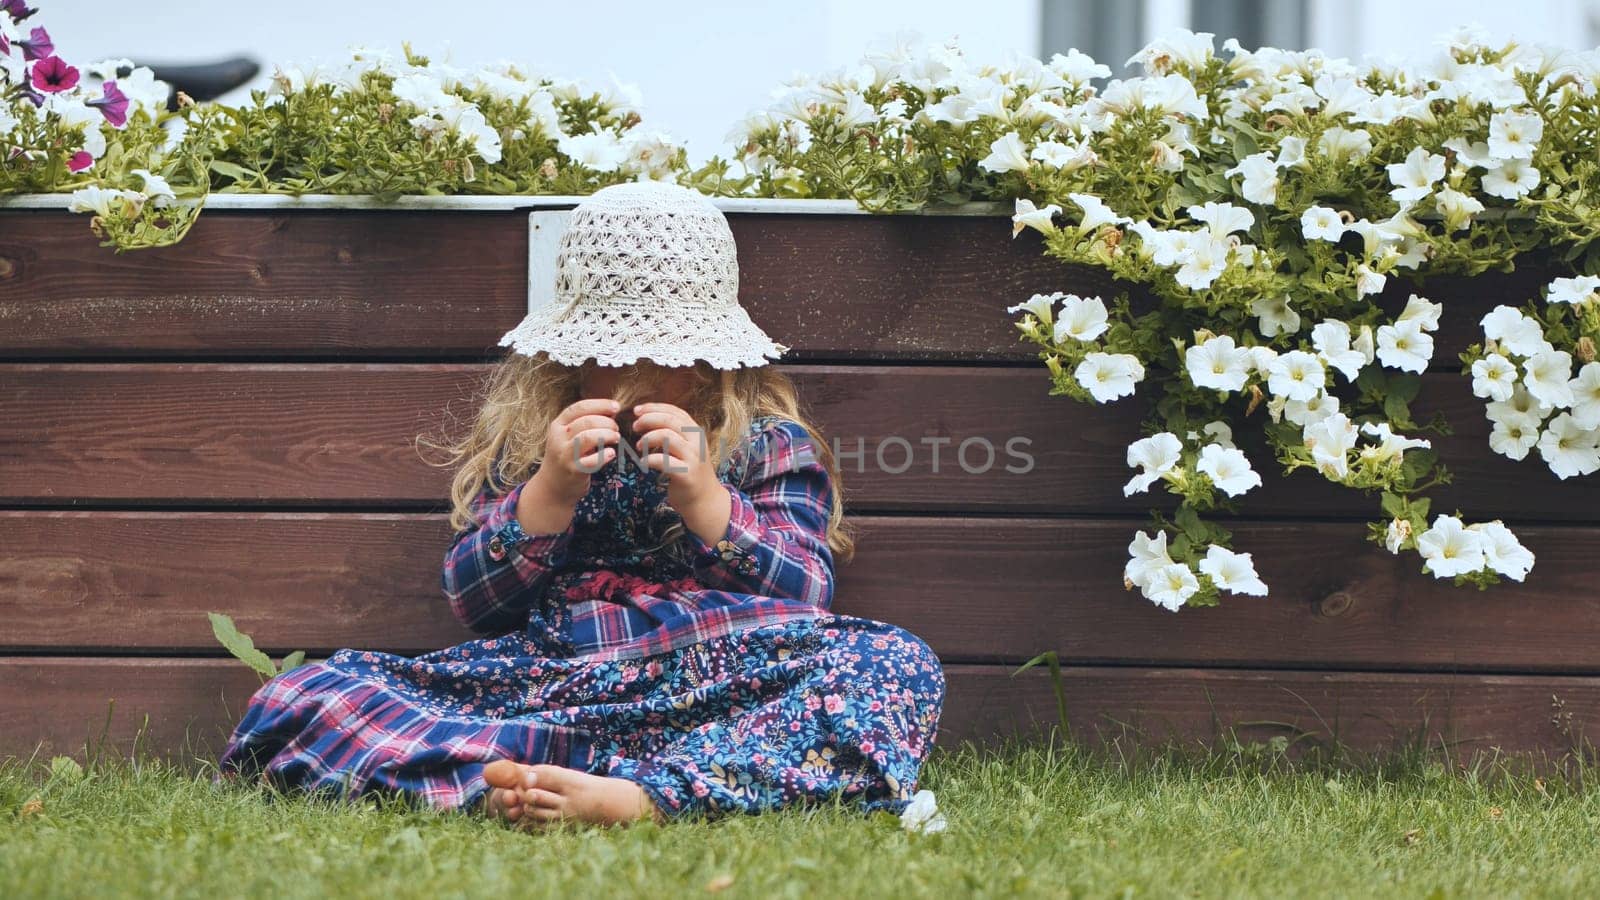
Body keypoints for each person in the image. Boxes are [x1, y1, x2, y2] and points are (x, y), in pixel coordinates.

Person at [214, 180, 946, 828]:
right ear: (569, 350)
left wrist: (705, 496)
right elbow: (475, 601)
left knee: (896, 662)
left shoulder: (764, 443)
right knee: (310, 695)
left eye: (667, 352)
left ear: (710, 357)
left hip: (725, 679)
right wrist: (550, 491)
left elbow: (807, 591)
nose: (638, 370)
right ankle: (541, 779)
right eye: (613, 350)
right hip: (559, 679)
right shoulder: (539, 437)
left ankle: (647, 795)